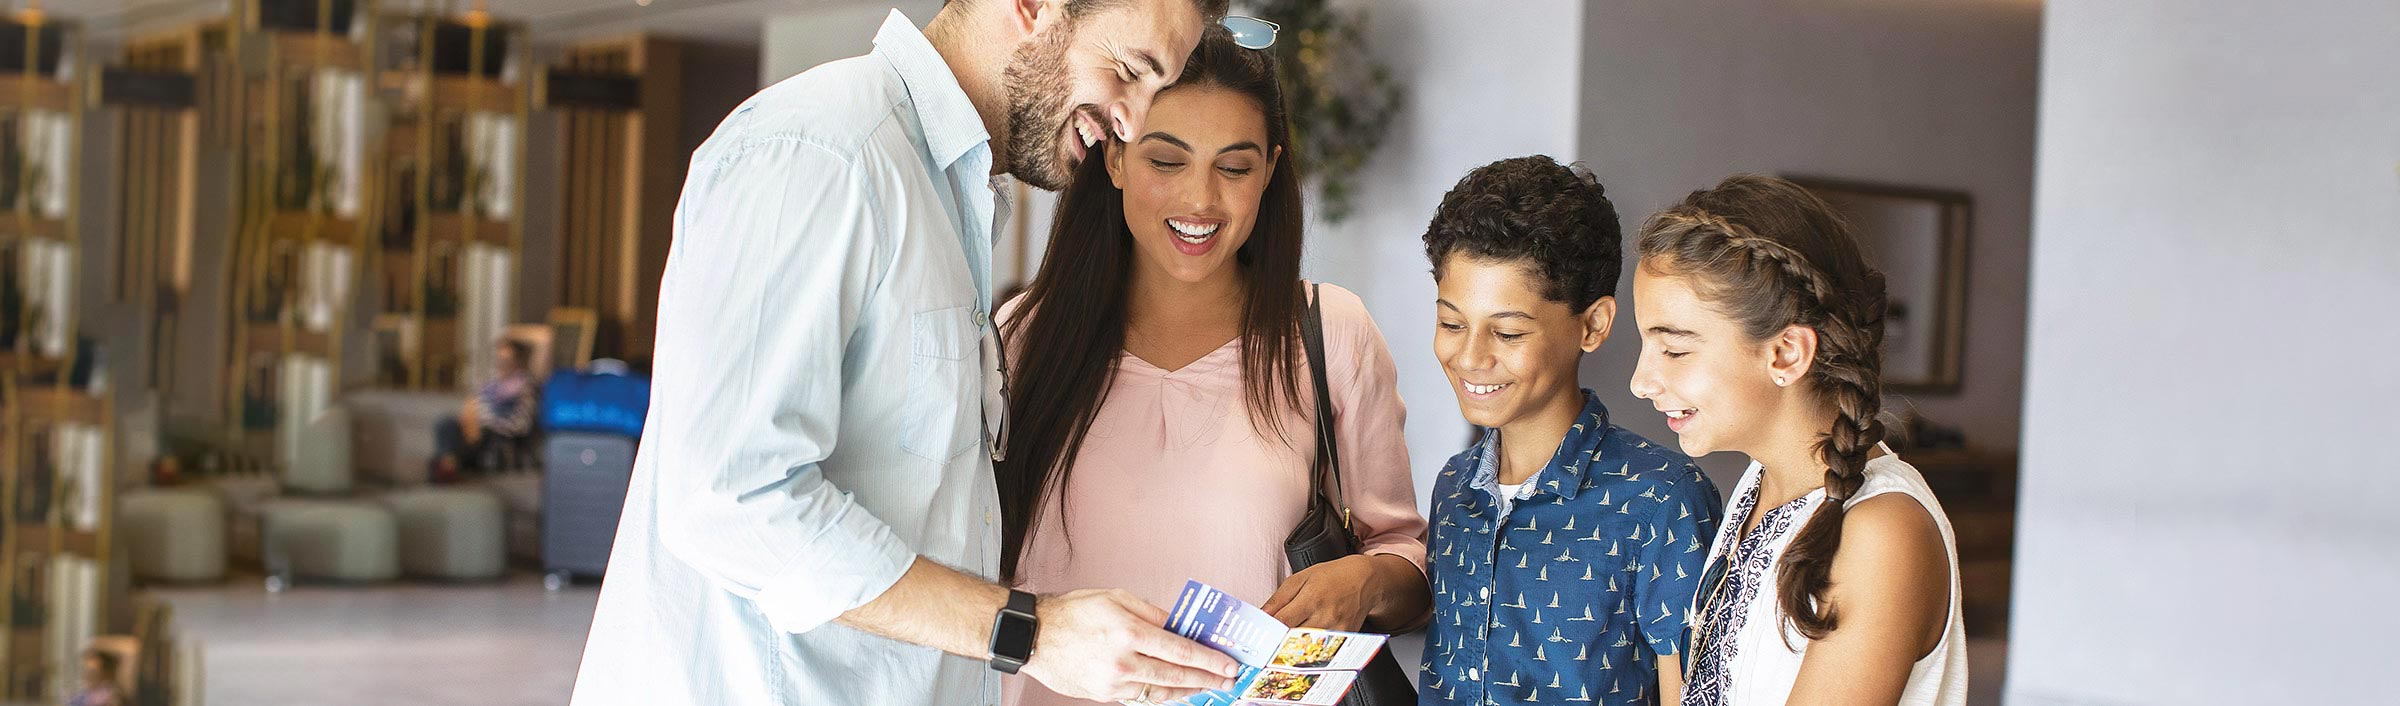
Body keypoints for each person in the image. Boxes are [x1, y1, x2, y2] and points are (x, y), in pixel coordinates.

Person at [569, 2, 1246, 705]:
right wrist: (1031, 632)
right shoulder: (822, 151)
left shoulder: (945, 195)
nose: (1134, 123)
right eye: (1129, 72)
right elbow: (729, 498)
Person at [995, 26, 1430, 706]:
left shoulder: (1330, 333)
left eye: (1234, 168)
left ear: (1270, 171)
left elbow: (1410, 566)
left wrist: (1365, 582)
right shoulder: (1021, 339)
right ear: (1112, 156)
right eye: (1167, 161)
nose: (1201, 199)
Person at [1627, 175, 1966, 706]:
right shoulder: (1759, 488)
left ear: (1786, 353)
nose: (1641, 382)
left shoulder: (1882, 532)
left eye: (1674, 350)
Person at [1416, 157, 1723, 706]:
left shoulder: (1662, 500)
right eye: (1451, 323)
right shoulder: (1454, 488)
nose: (1469, 356)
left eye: (1507, 332)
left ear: (1593, 325)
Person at [431, 337, 537, 482]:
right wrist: (471, 419)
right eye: (498, 359)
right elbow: (475, 404)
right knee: (446, 423)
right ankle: (449, 465)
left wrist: (487, 423)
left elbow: (521, 424)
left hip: (497, 433)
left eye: (506, 360)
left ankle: (448, 468)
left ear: (518, 362)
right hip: (475, 428)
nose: (501, 364)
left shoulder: (525, 386)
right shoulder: (492, 385)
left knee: (478, 434)